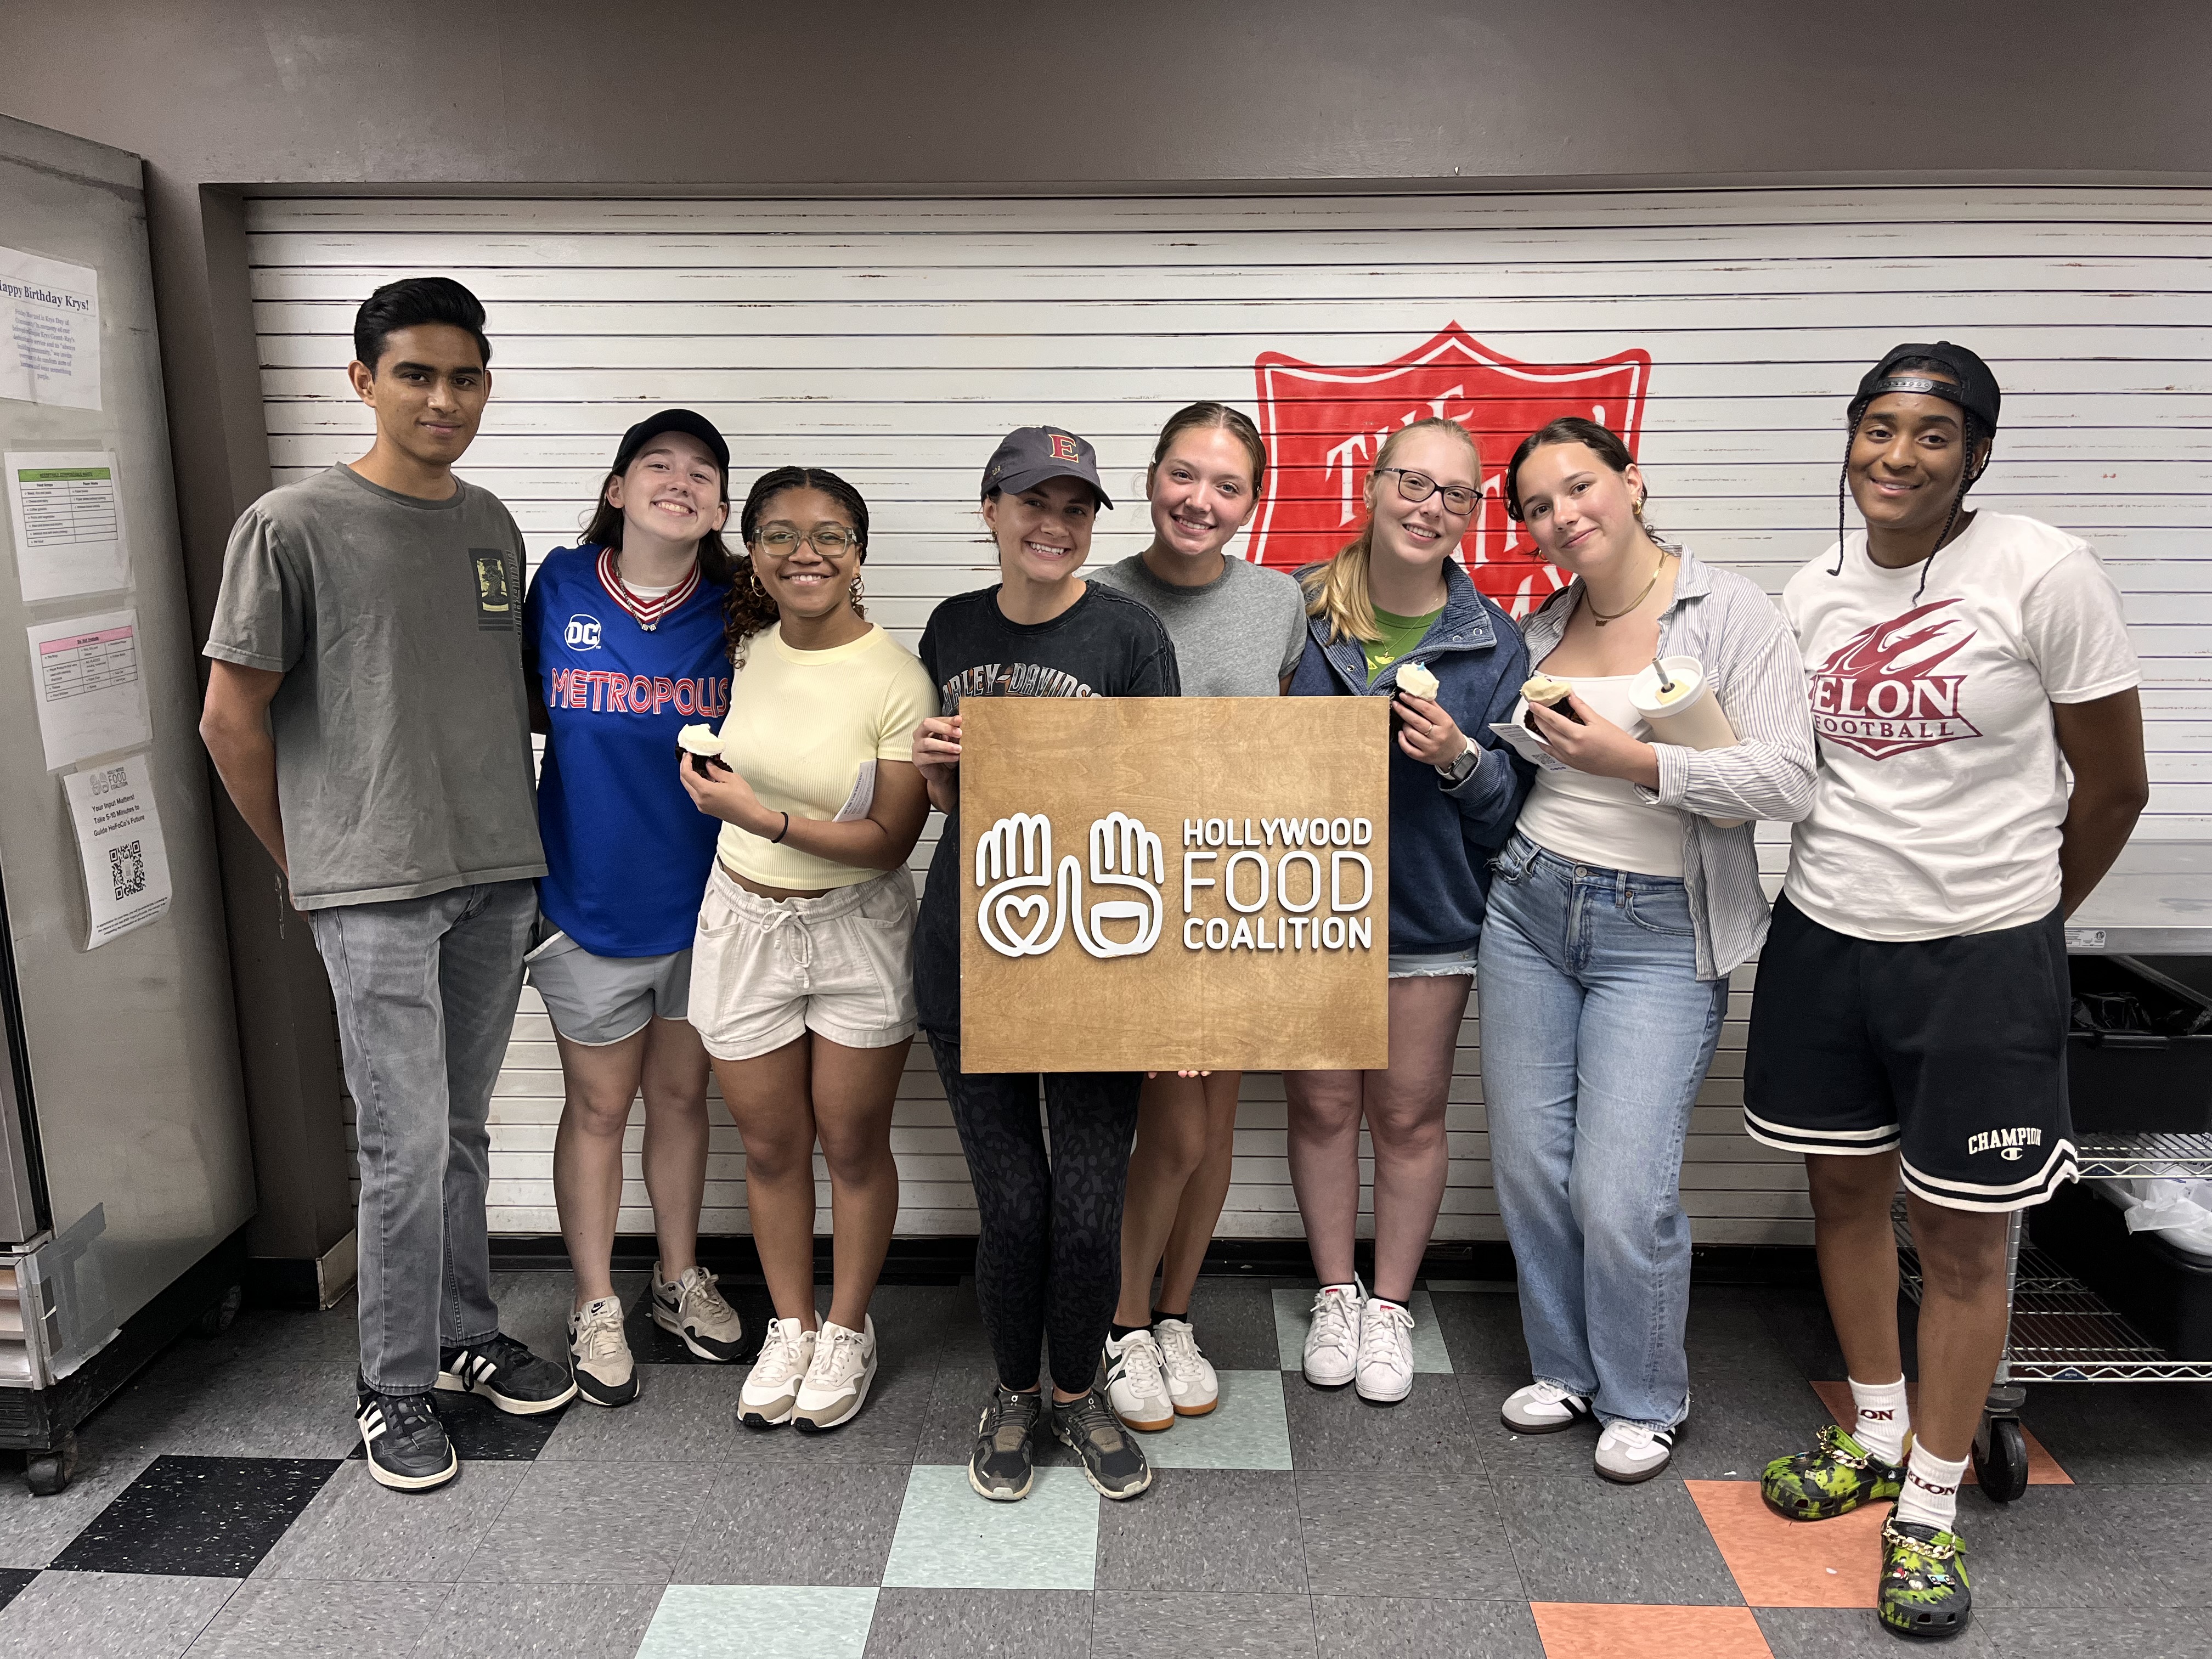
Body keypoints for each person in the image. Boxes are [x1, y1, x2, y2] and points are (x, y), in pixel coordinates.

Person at [1748, 343, 2146, 1640]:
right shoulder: (1808, 589)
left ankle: (1929, 1503)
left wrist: (2020, 923)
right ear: (1849, 438)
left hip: (1981, 951)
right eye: (1878, 427)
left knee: (1965, 1236)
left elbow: (2116, 785)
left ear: (1976, 453)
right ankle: (1872, 1433)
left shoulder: (2042, 569)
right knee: (1844, 1189)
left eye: (1931, 434)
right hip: (1826, 935)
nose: (1898, 456)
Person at [200, 278, 573, 1493]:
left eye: (464, 377)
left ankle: (463, 1333)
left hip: (494, 873)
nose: (442, 399)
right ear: (363, 381)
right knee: (404, 1145)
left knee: (459, 1129)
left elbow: (493, 694)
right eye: (415, 374)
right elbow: (228, 717)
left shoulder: (492, 524)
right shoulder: (290, 524)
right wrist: (308, 863)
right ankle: (392, 1385)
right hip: (374, 888)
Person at [1479, 417, 1816, 1482]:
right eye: (1537, 506)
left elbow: (1787, 781)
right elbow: (1527, 774)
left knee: (1623, 1186)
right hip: (1530, 905)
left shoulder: (1731, 610)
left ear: (1631, 482)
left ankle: (1643, 1396)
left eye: (1579, 489)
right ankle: (1567, 1368)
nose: (1562, 517)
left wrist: (1638, 763)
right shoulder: (1542, 628)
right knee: (1534, 1164)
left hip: (1662, 925)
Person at [911, 426, 1180, 1502]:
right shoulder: (948, 628)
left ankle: (1078, 1394)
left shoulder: (1129, 632)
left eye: (1075, 510)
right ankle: (1013, 1392)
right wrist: (938, 774)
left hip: (1091, 958)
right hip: (968, 951)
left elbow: (1164, 804)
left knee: (1085, 1207)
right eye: (1033, 504)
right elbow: (950, 802)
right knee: (1015, 1206)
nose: (1053, 526)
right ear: (991, 510)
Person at [679, 467, 935, 1432]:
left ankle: (847, 1327)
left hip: (856, 928)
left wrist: (758, 812)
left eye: (830, 535)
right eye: (780, 535)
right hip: (742, 922)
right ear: (753, 552)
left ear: (860, 554)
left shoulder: (898, 679)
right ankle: (789, 1325)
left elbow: (887, 842)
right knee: (773, 1145)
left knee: (853, 1144)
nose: (806, 553)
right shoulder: (744, 652)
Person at [1282, 416, 1530, 1405]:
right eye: (1413, 484)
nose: (1430, 507)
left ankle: (1391, 1303)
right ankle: (1334, 1293)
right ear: (1373, 486)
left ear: (1474, 515)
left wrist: (1459, 761)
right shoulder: (1294, 611)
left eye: (1456, 494)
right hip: (1301, 909)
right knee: (1322, 1105)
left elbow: (1512, 807)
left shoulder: (1493, 642)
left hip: (1427, 914)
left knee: (1411, 1114)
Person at [1086, 402, 1307, 1433]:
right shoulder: (1094, 596)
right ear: (1151, 478)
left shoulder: (1277, 603)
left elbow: (1295, 752)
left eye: (1227, 486)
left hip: (1237, 900)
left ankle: (1175, 1312)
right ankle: (1122, 1322)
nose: (1201, 501)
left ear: (1253, 505)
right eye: (1185, 475)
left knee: (1215, 1124)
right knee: (1168, 1130)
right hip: (1129, 901)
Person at [522, 409, 748, 1408]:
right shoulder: (559, 587)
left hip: (708, 907)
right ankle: (591, 1300)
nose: (679, 481)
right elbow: (511, 718)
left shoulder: (741, 605)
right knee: (601, 1107)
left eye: (703, 472)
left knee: (684, 1100)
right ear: (617, 490)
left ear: (722, 508)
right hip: (588, 902)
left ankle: (674, 1277)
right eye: (657, 464)